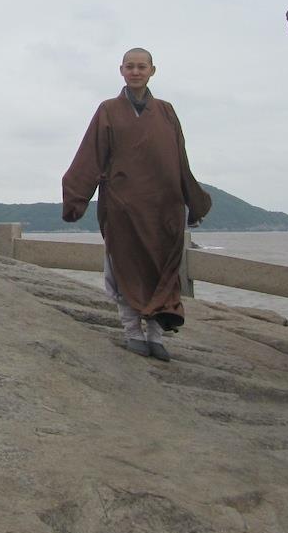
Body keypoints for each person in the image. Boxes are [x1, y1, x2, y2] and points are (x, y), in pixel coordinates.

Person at [61, 47, 211, 361]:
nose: (136, 72)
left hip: (164, 206)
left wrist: (193, 201)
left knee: (162, 270)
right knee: (124, 268)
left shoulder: (166, 111)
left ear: (152, 71)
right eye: (130, 66)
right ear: (121, 70)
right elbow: (91, 154)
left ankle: (156, 336)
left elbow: (180, 159)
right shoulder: (109, 109)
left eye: (142, 66)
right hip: (123, 206)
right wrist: (76, 198)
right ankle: (132, 330)